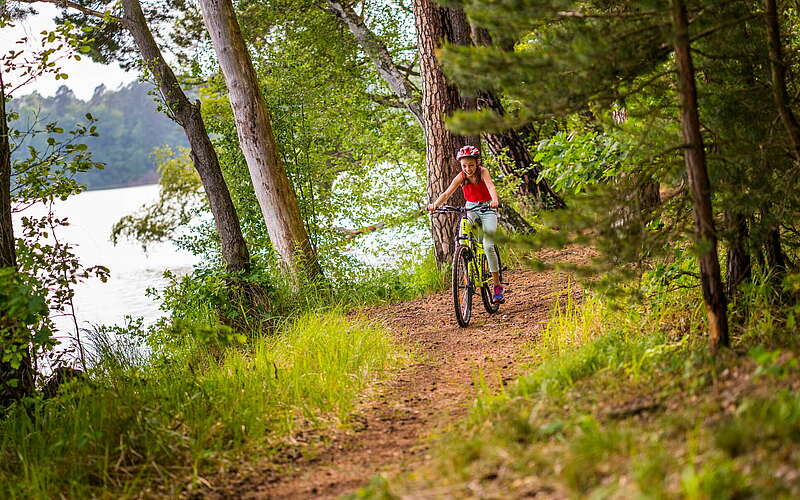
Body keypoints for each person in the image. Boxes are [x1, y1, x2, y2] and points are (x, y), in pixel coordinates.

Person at [427, 145, 504, 303]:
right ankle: (465, 263)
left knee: (488, 246)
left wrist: (495, 200)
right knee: (462, 236)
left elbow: (490, 186)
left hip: (487, 208)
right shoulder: (461, 177)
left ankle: (497, 286)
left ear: (477, 162)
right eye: (464, 166)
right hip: (471, 208)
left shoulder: (483, 172)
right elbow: (447, 193)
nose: (468, 169)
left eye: (471, 165)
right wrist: (435, 204)